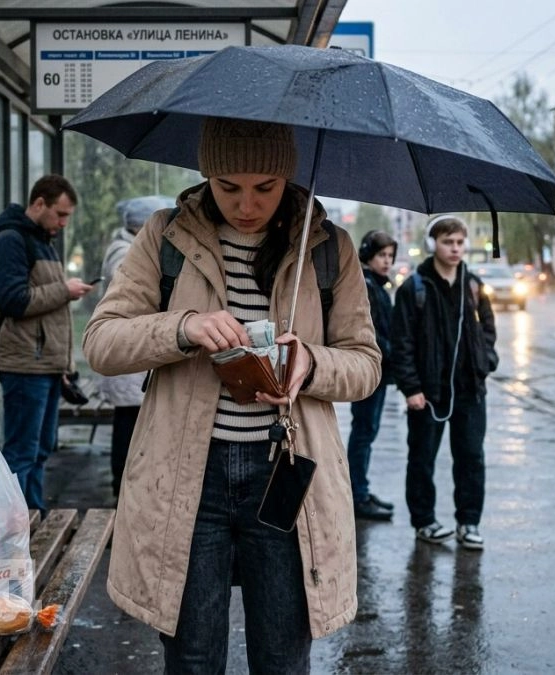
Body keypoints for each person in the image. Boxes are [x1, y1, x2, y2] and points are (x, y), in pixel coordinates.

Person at [83, 117, 380, 672]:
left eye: (265, 187)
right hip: (188, 478)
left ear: (288, 178)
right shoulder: (165, 235)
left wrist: (310, 364)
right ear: (207, 175)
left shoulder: (327, 248)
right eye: (228, 187)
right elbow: (101, 342)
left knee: (283, 656)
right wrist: (183, 327)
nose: (247, 204)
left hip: (288, 475)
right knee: (193, 658)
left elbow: (365, 365)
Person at [388, 215, 497, 550]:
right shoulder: (415, 287)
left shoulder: (474, 284)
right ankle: (424, 522)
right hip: (428, 392)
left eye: (460, 242)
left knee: (471, 458)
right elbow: (401, 341)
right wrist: (411, 388)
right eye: (448, 242)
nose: (454, 248)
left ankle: (469, 523)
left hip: (469, 389)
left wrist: (485, 362)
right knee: (422, 458)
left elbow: (489, 330)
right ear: (433, 244)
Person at [0, 175, 93, 516]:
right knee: (22, 450)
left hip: (45, 366)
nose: (63, 223)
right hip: (24, 365)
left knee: (41, 448)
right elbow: (13, 301)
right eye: (59, 214)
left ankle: (32, 515)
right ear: (38, 205)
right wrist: (66, 290)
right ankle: (12, 524)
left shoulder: (42, 240)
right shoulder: (11, 240)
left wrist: (64, 366)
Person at [98, 197, 170, 497]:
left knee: (129, 423)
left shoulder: (124, 249)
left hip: (133, 361)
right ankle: (121, 488)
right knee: (128, 426)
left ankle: (126, 486)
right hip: (129, 360)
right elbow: (135, 302)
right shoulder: (125, 254)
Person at [348, 230, 398, 521]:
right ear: (368, 254)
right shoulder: (367, 285)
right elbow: (375, 333)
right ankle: (358, 495)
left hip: (378, 370)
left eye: (390, 256)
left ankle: (361, 489)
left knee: (366, 431)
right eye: (382, 255)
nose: (387, 261)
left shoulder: (377, 285)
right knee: (364, 432)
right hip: (372, 371)